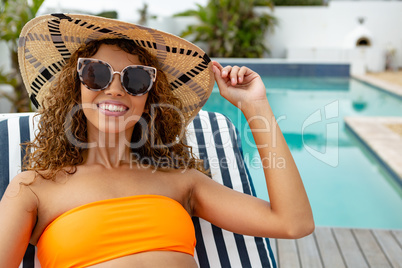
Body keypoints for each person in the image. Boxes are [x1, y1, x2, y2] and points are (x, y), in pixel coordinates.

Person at [0, 14, 314, 267]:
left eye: (135, 79)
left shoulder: (180, 181)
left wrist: (255, 106)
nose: (115, 89)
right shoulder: (34, 189)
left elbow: (293, 222)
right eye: (97, 73)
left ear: (150, 97)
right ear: (76, 85)